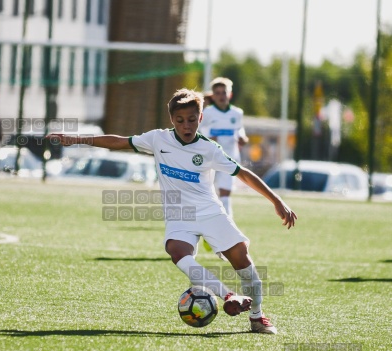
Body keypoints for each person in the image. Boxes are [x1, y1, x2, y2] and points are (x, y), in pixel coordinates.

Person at [47, 88, 297, 334]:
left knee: (243, 260)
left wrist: (276, 201)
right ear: (171, 120)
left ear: (200, 118)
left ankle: (257, 316)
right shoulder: (158, 139)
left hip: (210, 212)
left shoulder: (209, 149)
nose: (186, 126)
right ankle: (228, 295)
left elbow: (242, 173)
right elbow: (118, 142)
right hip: (180, 215)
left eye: (191, 120)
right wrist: (77, 138)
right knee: (176, 250)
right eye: (179, 120)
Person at [199, 77, 248, 218]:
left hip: (230, 157)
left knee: (225, 194)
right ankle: (205, 220)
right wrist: (209, 137)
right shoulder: (207, 113)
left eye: (224, 92)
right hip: (210, 158)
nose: (221, 96)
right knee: (208, 192)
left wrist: (242, 137)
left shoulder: (237, 113)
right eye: (218, 93)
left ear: (230, 94)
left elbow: (239, 129)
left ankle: (228, 224)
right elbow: (199, 130)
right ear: (213, 96)